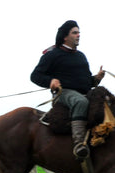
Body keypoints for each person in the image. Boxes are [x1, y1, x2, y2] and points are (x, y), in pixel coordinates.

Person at [31, 20, 105, 161]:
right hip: (63, 94)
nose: (79, 35)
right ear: (65, 36)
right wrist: (50, 81)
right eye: (75, 32)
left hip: (83, 92)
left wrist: (97, 79)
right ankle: (79, 144)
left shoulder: (81, 56)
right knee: (81, 102)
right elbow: (35, 76)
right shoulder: (52, 54)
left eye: (79, 32)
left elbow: (86, 82)